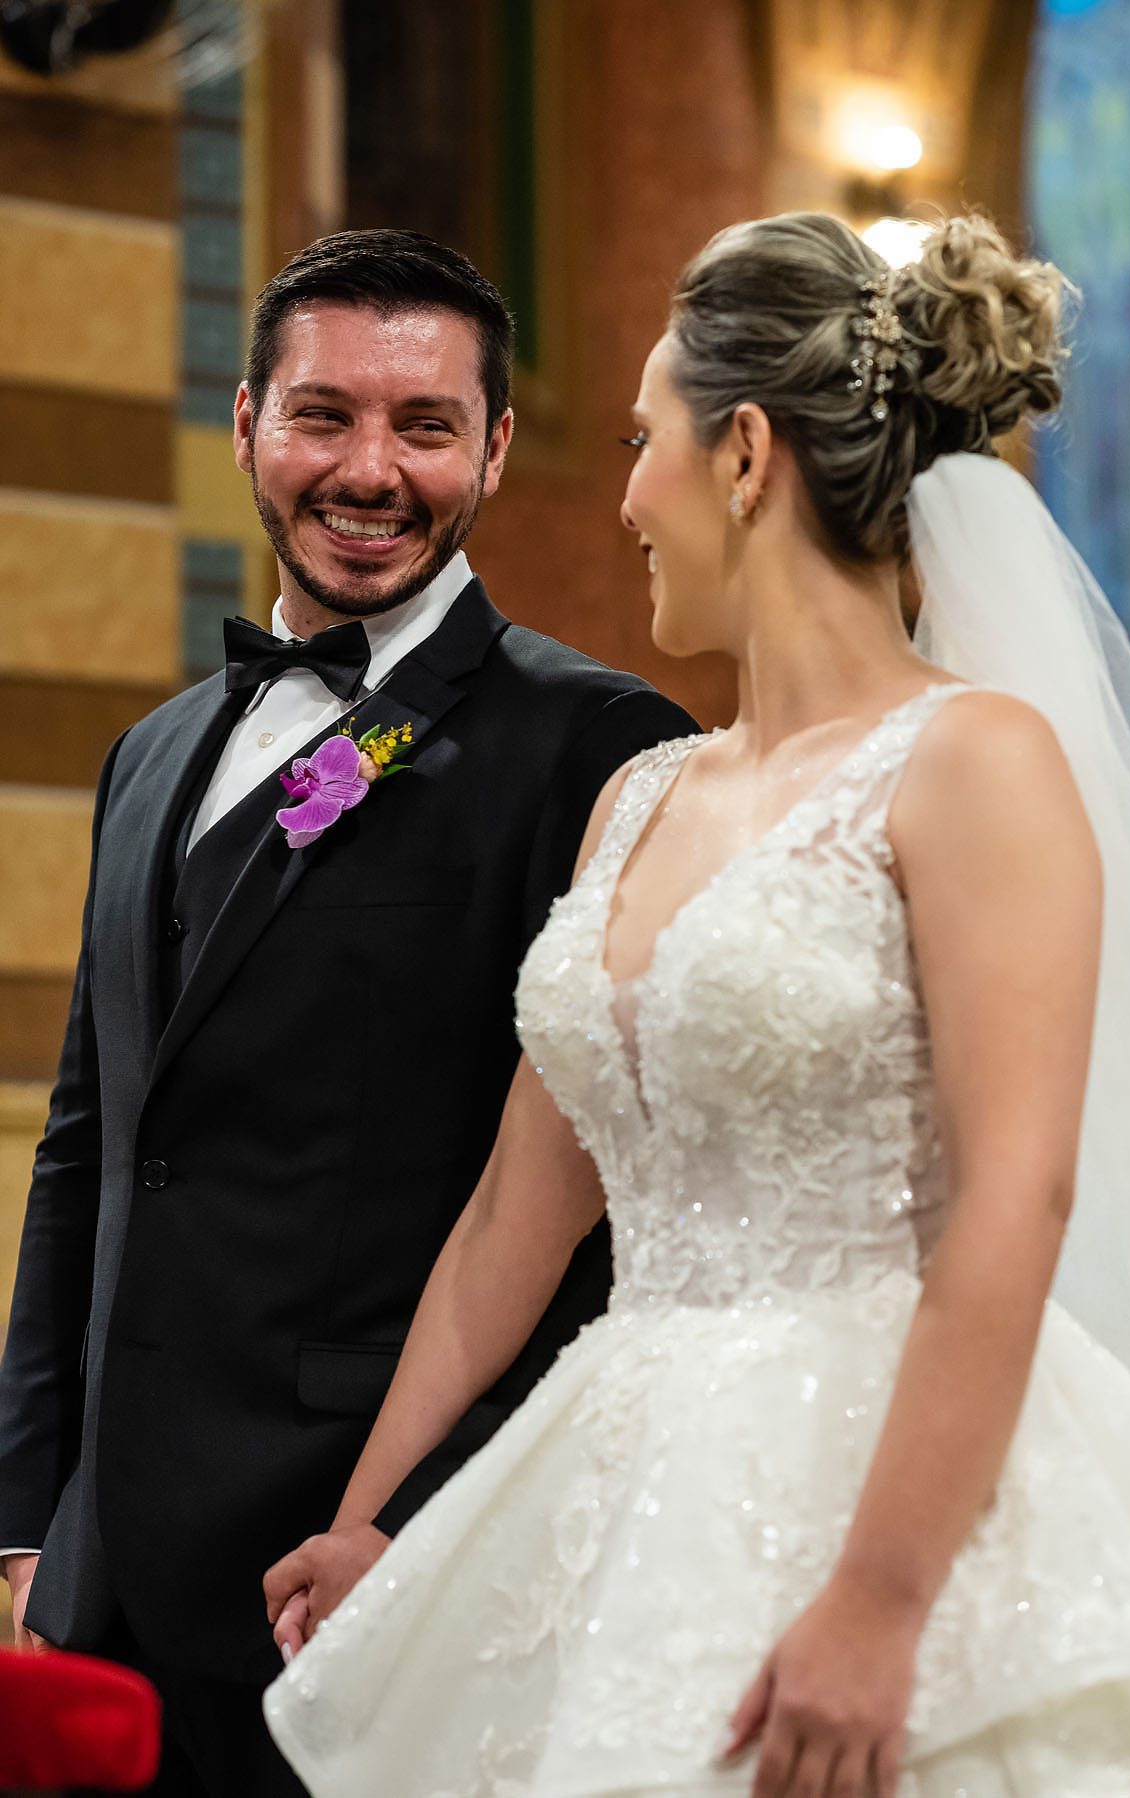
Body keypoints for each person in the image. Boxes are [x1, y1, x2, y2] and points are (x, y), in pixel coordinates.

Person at [263, 211, 1130, 1798]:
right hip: (620, 1488)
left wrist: (883, 1596)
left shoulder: (977, 762)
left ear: (748, 452)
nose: (623, 491)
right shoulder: (639, 795)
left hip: (883, 1481)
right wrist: (377, 1521)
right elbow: (516, 1211)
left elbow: (1014, 1199)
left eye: (646, 440)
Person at [0, 228, 694, 1797]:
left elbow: (608, 1220)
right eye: (325, 414)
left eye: (426, 424)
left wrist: (430, 1521)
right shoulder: (154, 752)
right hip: (101, 1578)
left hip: (366, 1565)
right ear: (246, 421)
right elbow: (92, 1142)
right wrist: (28, 1510)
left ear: (497, 448)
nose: (369, 468)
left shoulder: (602, 749)